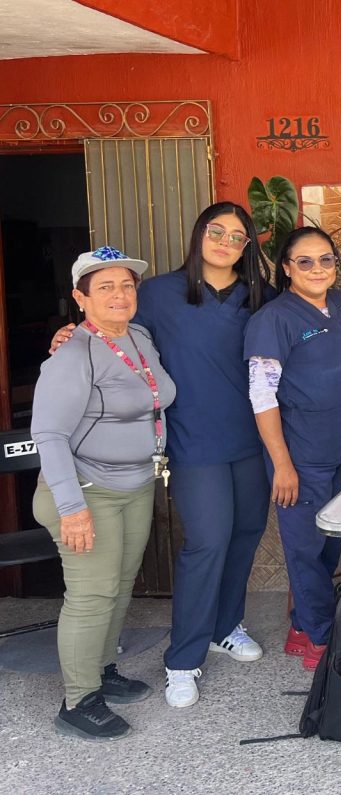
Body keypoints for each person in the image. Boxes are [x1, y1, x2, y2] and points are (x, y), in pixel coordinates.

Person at [53, 202, 276, 709]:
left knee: (245, 534)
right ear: (198, 235)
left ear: (247, 247)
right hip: (194, 441)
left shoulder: (259, 296)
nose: (225, 241)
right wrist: (69, 334)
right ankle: (183, 658)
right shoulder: (158, 294)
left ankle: (225, 625)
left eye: (237, 236)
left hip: (254, 439)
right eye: (215, 231)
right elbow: (111, 330)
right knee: (208, 541)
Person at [33, 247, 176, 740]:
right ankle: (79, 700)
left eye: (127, 285)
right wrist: (72, 510)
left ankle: (101, 671)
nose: (120, 294)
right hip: (82, 491)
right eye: (106, 287)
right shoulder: (71, 355)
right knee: (91, 595)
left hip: (134, 484)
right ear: (80, 297)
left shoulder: (139, 337)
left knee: (118, 586)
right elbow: (49, 436)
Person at [245, 227, 341, 671]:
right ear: (287, 268)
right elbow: (262, 397)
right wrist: (282, 465)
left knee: (332, 542)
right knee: (305, 550)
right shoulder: (273, 319)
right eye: (306, 261)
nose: (318, 269)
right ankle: (320, 637)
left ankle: (302, 624)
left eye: (326, 260)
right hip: (302, 456)